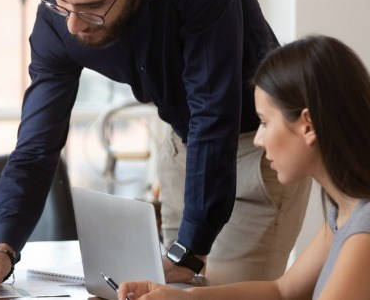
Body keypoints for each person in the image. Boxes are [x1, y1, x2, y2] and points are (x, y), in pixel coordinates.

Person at [0, 0, 311, 293]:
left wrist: (189, 251)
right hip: (183, 147)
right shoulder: (58, 20)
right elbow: (36, 145)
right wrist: (5, 247)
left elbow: (214, 111)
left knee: (223, 293)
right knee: (166, 294)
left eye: (93, 8)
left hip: (259, 152)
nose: (73, 25)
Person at [117, 35, 370, 300]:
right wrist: (181, 297)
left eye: (264, 122)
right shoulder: (343, 209)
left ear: (308, 125)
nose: (258, 140)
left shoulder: (363, 228)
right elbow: (282, 291)